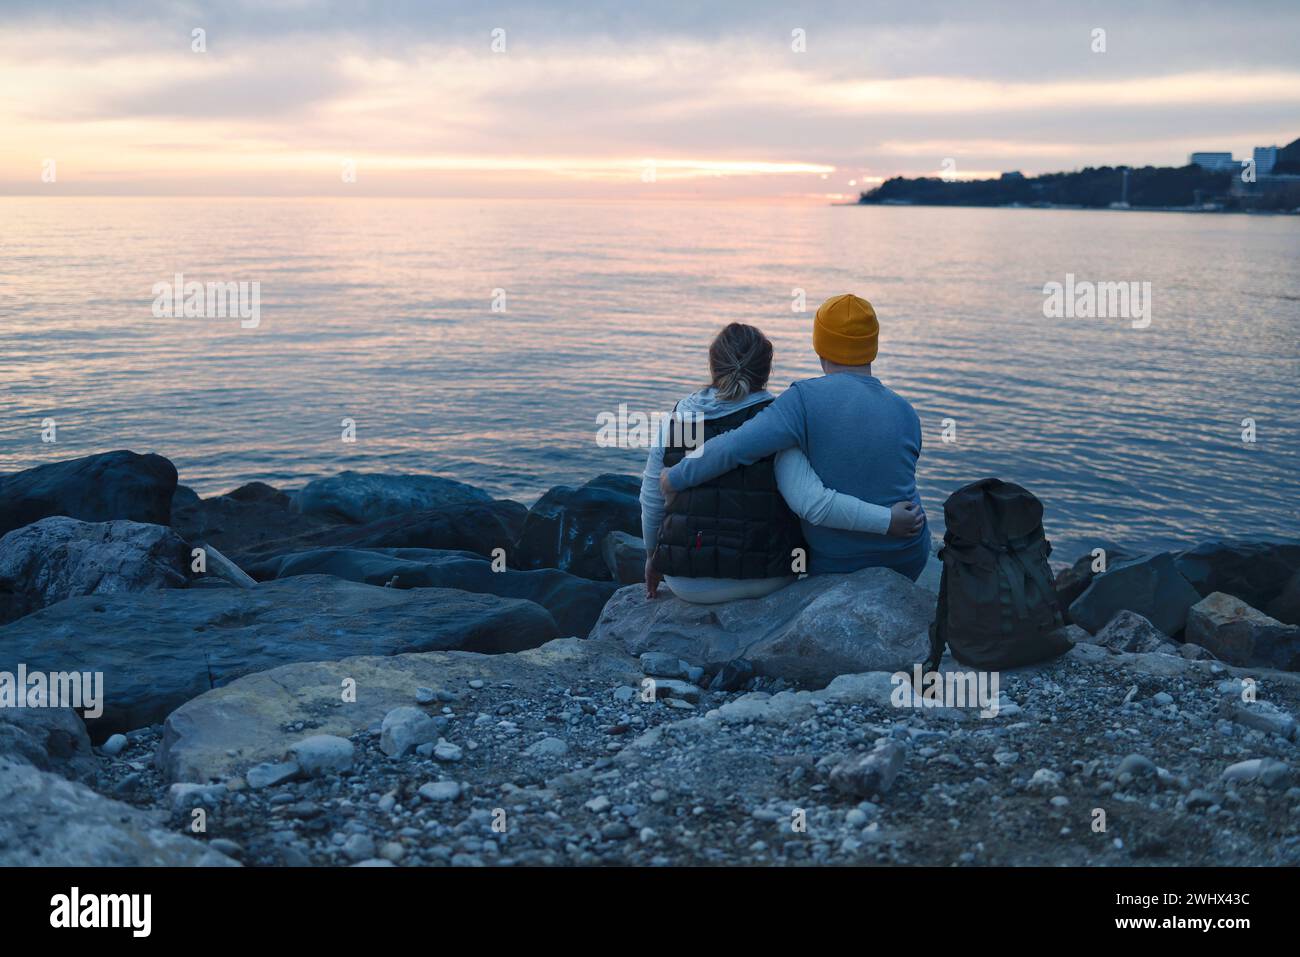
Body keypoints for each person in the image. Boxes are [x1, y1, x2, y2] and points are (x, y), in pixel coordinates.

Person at [640, 321, 924, 604]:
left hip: (687, 582)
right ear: (766, 370)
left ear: (713, 366)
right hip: (769, 577)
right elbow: (809, 502)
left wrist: (653, 557)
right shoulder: (779, 418)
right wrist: (888, 520)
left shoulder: (678, 418)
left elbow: (651, 499)